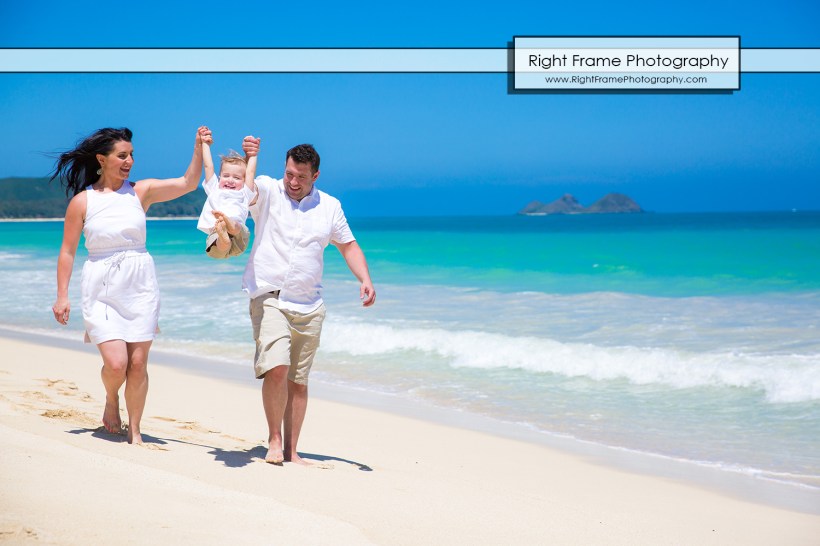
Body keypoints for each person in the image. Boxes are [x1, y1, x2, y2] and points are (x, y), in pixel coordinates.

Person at [51, 126, 208, 444]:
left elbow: (189, 183)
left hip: (140, 283)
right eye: (122, 155)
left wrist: (197, 146)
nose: (129, 161)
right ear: (101, 159)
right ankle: (112, 399)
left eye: (132, 155)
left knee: (137, 363)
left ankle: (135, 432)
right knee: (116, 363)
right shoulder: (83, 202)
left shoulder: (141, 192)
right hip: (101, 285)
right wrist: (62, 296)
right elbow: (67, 252)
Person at [241, 137, 376, 465]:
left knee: (298, 381)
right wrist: (250, 158)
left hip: (309, 305)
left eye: (301, 176)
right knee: (277, 368)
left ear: (315, 176)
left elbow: (348, 245)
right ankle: (274, 439)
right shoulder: (269, 191)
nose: (293, 182)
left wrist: (365, 279)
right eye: (289, 173)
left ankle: (292, 449)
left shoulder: (329, 206)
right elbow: (243, 190)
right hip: (269, 294)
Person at [196, 132, 257, 259]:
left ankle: (228, 223)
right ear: (219, 177)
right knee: (218, 248)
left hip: (237, 229)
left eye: (236, 177)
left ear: (244, 180)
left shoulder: (245, 192)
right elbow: (208, 166)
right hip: (218, 230)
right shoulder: (214, 187)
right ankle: (225, 237)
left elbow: (250, 172)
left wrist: (253, 154)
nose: (230, 180)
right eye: (226, 176)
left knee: (234, 229)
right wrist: (205, 144)